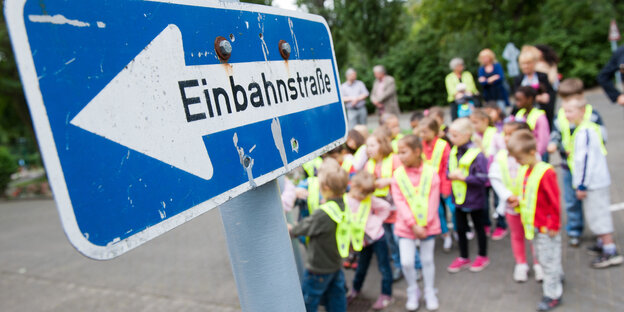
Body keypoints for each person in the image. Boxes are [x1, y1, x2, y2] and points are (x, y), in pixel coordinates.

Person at [560, 86, 622, 268]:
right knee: (595, 213)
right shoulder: (586, 128)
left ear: (581, 111)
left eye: (570, 111)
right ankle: (603, 243)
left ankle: (610, 250)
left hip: (592, 183)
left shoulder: (585, 131)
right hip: (594, 181)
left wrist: (581, 185)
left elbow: (585, 160)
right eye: (564, 111)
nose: (566, 115)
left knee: (598, 215)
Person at [547, 78, 607, 247]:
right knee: (571, 200)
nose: (566, 104)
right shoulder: (562, 115)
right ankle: (574, 229)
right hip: (568, 166)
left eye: (570, 99)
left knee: (591, 200)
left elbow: (602, 137)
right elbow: (557, 133)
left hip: (589, 168)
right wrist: (554, 144)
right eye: (564, 100)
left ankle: (599, 230)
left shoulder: (592, 115)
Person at [507, 130, 562, 311]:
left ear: (532, 153)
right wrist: (518, 200)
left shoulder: (545, 172)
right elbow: (528, 195)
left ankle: (552, 294)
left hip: (546, 227)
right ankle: (556, 276)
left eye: (519, 158)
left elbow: (554, 201)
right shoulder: (526, 170)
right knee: (545, 255)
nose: (517, 162)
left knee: (547, 259)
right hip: (534, 226)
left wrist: (554, 223)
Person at [289, 159, 349, 312]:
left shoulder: (323, 213)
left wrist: (291, 228)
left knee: (310, 298)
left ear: (326, 188)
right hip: (335, 262)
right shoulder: (343, 204)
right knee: (337, 296)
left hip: (318, 267)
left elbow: (301, 229)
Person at [489, 121, 543, 282]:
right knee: (517, 235)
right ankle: (521, 264)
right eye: (505, 134)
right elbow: (495, 178)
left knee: (534, 235)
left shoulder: (533, 156)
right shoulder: (500, 157)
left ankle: (539, 263)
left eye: (510, 134)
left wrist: (524, 198)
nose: (506, 138)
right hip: (511, 206)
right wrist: (507, 196)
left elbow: (538, 178)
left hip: (531, 205)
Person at [391, 135, 441, 311]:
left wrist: (424, 225)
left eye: (404, 152)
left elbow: (434, 201)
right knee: (406, 262)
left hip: (428, 226)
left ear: (417, 151)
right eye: (398, 153)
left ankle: (429, 291)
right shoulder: (397, 175)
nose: (400, 156)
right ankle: (413, 289)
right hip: (406, 226)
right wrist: (413, 224)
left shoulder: (431, 173)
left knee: (427, 260)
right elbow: (399, 202)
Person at [446, 118, 490, 273]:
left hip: (474, 199)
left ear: (467, 134)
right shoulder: (453, 151)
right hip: (458, 199)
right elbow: (447, 171)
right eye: (450, 135)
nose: (452, 139)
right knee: (461, 228)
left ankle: (482, 255)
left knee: (479, 228)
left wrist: (464, 178)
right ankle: (463, 256)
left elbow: (483, 178)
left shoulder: (477, 155)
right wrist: (450, 175)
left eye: (455, 135)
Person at [345, 171, 393, 310]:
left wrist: (377, 221)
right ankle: (355, 290)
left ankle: (386, 295)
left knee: (384, 266)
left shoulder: (369, 199)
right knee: (361, 266)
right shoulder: (346, 199)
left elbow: (385, 207)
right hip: (362, 241)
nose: (363, 197)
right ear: (352, 186)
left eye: (366, 194)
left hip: (377, 237)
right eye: (361, 193)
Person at [365, 128, 403, 281]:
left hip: (398, 210)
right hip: (382, 212)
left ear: (382, 145)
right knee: (391, 242)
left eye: (372, 145)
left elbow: (405, 179)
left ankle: (416, 266)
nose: (369, 149)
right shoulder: (369, 164)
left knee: (400, 239)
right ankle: (399, 266)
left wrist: (388, 181)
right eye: (367, 146)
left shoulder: (394, 159)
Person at [470, 109, 507, 240]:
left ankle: (501, 225)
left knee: (498, 201)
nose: (473, 126)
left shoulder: (496, 135)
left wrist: (481, 147)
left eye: (476, 122)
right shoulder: (474, 136)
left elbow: (499, 155)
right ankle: (485, 224)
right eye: (471, 123)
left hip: (495, 175)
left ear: (485, 121)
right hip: (482, 176)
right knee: (483, 203)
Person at [418, 117, 453, 252]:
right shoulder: (420, 146)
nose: (422, 135)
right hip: (429, 187)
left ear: (434, 131)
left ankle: (457, 230)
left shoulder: (443, 145)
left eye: (425, 132)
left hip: (444, 184)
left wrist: (445, 187)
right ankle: (445, 234)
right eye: (421, 132)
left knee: (453, 209)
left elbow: (446, 167)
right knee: (438, 212)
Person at [512, 46, 556, 128]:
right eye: (523, 64)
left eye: (528, 63)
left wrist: (546, 97)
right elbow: (516, 96)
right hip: (524, 112)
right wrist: (537, 97)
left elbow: (550, 93)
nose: (526, 66)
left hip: (541, 110)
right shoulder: (518, 79)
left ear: (534, 63)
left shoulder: (542, 76)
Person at [512, 86, 550, 159]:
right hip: (523, 153)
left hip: (536, 155)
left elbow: (543, 140)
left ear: (529, 99)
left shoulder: (540, 116)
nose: (517, 103)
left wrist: (537, 155)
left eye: (519, 100)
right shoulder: (519, 114)